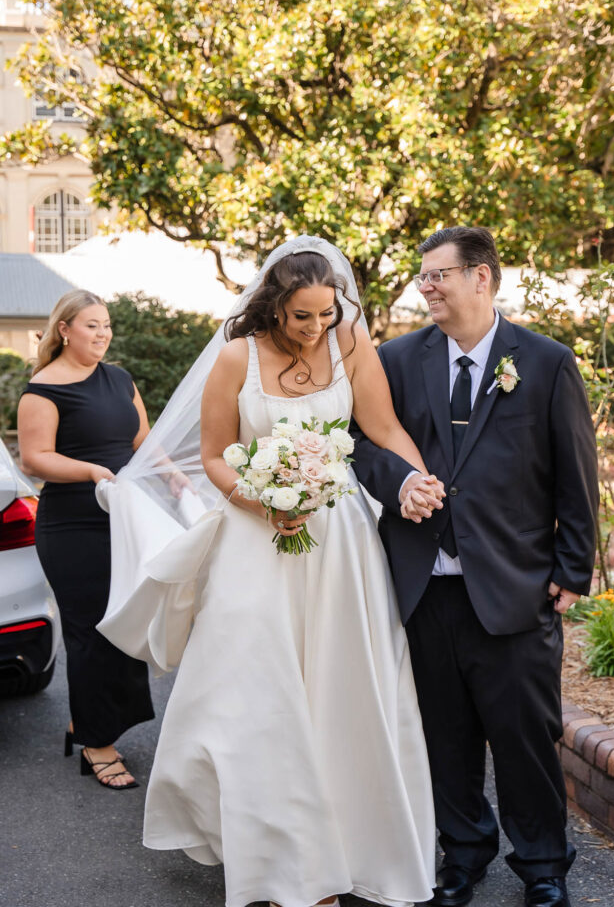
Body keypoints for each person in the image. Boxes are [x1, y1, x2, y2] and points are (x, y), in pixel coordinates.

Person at [96, 236, 438, 907]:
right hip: (256, 540)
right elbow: (215, 455)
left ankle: (347, 848)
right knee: (259, 698)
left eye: (327, 315)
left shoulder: (349, 345)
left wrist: (418, 478)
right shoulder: (236, 358)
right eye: (303, 316)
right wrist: (260, 498)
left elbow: (384, 428)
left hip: (339, 543)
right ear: (276, 307)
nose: (317, 329)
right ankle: (284, 864)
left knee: (340, 690)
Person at [351, 227, 599, 907]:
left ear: (483, 277)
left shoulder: (544, 362)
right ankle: (462, 857)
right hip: (421, 588)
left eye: (439, 275)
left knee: (525, 739)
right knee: (444, 738)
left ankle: (545, 867)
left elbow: (577, 472)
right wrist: (399, 481)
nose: (425, 286)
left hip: (516, 586)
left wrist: (574, 569)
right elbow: (361, 447)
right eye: (422, 275)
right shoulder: (394, 361)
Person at [17, 289, 166, 789]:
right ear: (65, 330)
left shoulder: (119, 379)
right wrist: (90, 471)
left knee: (125, 623)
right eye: (91, 326)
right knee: (91, 631)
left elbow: (140, 440)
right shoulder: (43, 389)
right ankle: (97, 748)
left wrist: (174, 476)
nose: (102, 334)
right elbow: (34, 459)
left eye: (106, 325)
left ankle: (89, 723)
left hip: (124, 519)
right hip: (73, 526)